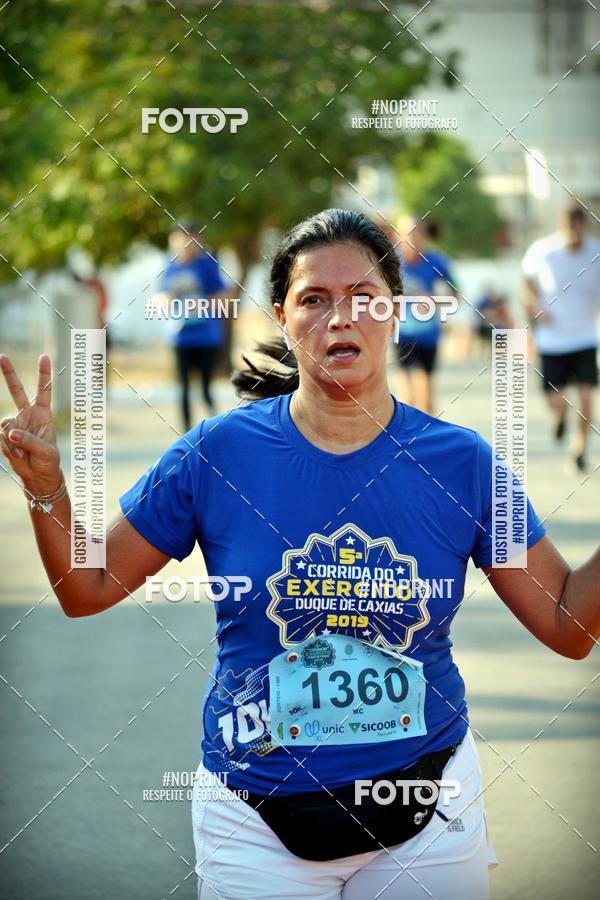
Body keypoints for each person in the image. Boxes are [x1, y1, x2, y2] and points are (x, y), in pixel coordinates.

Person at [1, 209, 599, 900]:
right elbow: (88, 587)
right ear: (283, 319)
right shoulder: (216, 455)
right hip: (253, 814)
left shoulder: (463, 464)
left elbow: (566, 623)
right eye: (314, 299)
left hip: (429, 804)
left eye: (364, 296)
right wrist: (46, 490)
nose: (340, 317)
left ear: (396, 313)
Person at [522, 206, 600, 471]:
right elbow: (527, 284)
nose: (572, 234)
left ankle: (579, 450)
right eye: (568, 228)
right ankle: (561, 415)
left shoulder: (595, 253)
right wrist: (534, 307)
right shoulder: (542, 251)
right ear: (560, 226)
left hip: (585, 338)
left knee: (587, 396)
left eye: (577, 228)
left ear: (584, 226)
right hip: (552, 340)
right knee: (556, 400)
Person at [156, 220, 229, 430]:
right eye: (182, 237)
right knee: (183, 388)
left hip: (207, 336)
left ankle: (217, 429)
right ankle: (185, 434)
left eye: (192, 237)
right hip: (180, 337)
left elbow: (223, 296)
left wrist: (202, 304)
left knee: (206, 388)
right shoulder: (169, 266)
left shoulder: (207, 265)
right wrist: (166, 300)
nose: (187, 243)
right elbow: (160, 296)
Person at [390, 216, 457, 415]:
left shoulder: (436, 261)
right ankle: (405, 431)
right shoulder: (390, 262)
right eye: (408, 233)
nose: (413, 238)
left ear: (425, 236)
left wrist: (431, 299)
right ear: (398, 236)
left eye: (418, 233)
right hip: (401, 334)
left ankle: (427, 432)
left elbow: (456, 294)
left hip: (428, 334)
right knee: (406, 398)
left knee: (426, 400)